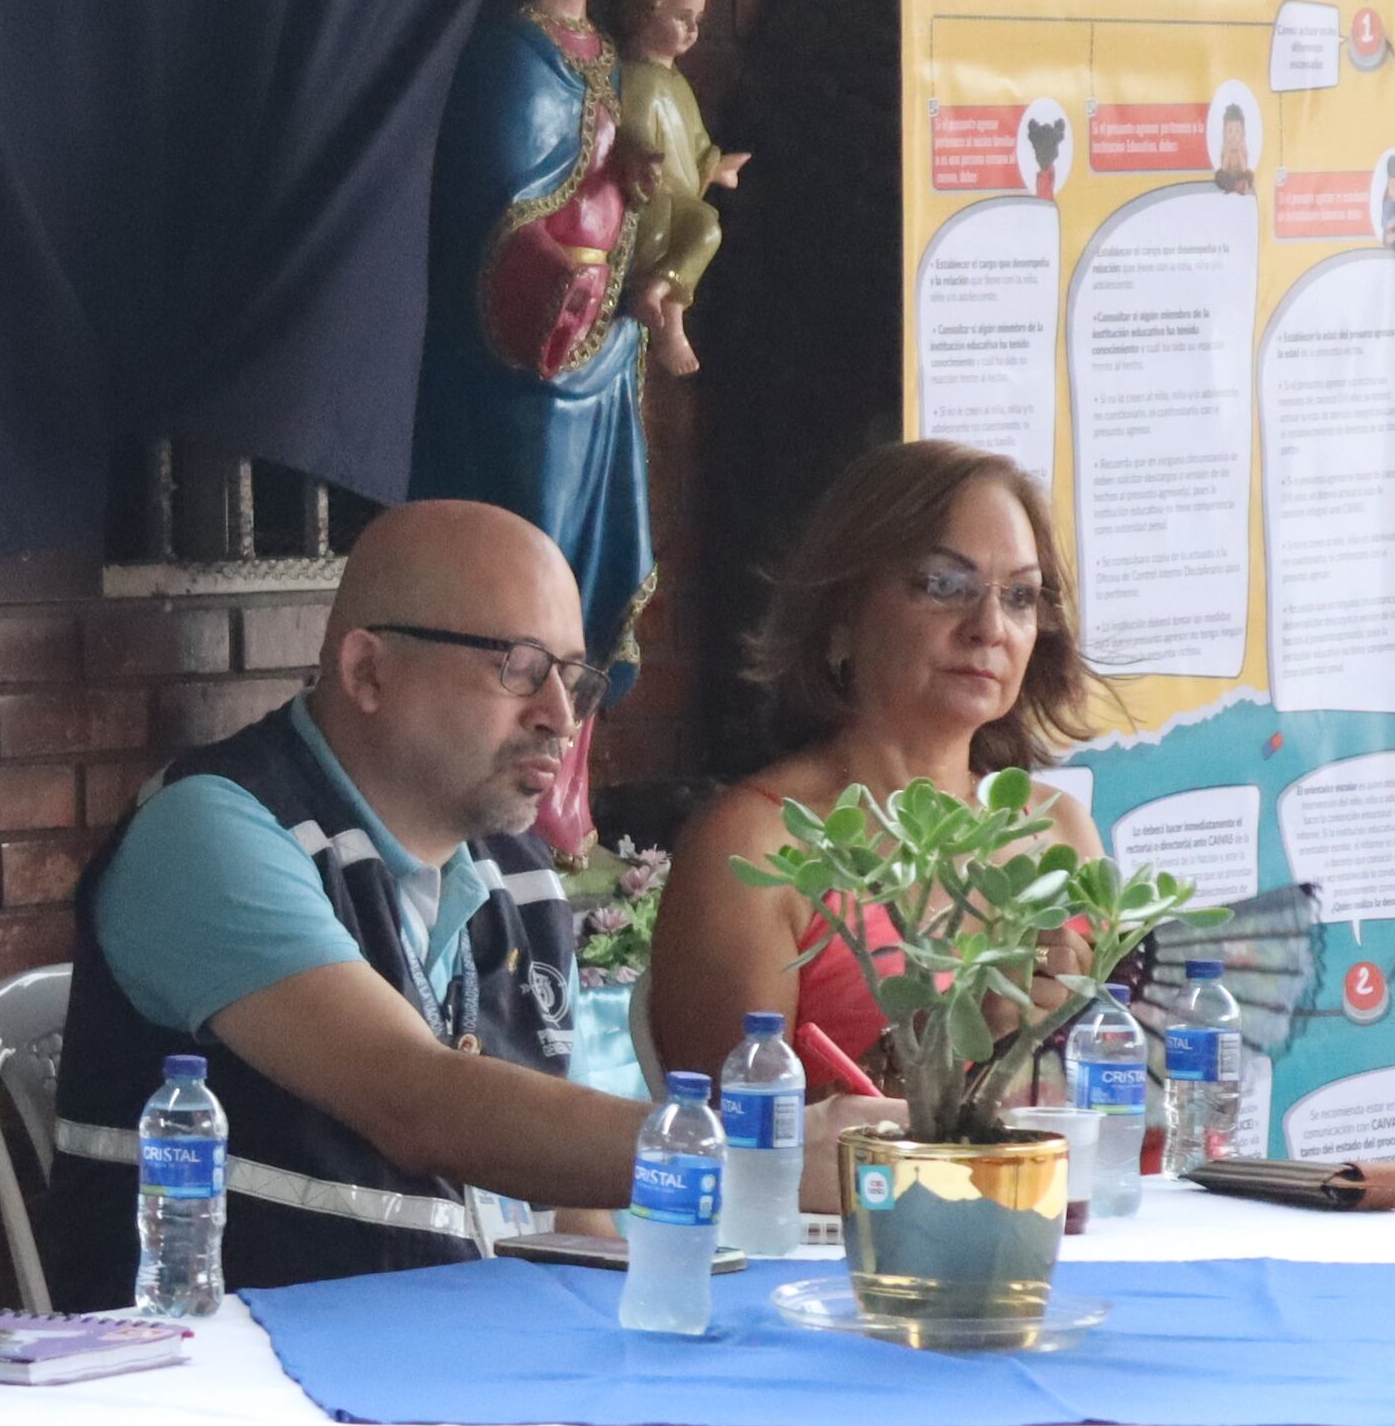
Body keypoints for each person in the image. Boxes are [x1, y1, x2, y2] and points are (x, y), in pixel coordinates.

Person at [47, 500, 890, 1297]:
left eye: (573, 678)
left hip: (461, 1366)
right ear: (368, 670)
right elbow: (417, 1101)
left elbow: (565, 1209)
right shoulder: (208, 831)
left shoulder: (513, 868)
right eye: (519, 668)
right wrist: (748, 1154)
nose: (561, 715)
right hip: (241, 1393)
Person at [644, 440, 1106, 1089]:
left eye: (1021, 597)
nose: (989, 626)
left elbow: (1120, 1108)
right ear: (840, 616)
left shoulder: (1059, 830)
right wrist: (936, 1046)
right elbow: (727, 1147)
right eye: (944, 585)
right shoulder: (755, 846)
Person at [412, 0, 659, 854]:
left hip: (604, 361)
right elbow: (491, 209)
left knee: (599, 579)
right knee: (528, 583)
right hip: (524, 372)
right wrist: (591, 210)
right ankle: (496, 811)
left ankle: (565, 809)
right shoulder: (509, 54)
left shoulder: (605, 55)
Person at [601, 0, 741, 379]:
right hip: (653, 204)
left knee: (707, 226)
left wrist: (715, 167)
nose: (693, 30)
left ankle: (661, 291)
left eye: (697, 19)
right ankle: (668, 320)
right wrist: (641, 154)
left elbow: (694, 142)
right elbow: (634, 133)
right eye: (683, 17)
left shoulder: (677, 82)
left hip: (681, 203)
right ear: (644, 12)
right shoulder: (636, 79)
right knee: (685, 222)